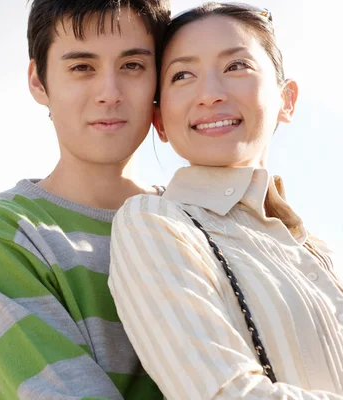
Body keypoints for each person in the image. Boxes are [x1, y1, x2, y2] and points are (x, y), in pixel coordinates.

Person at [109, 2, 343, 399]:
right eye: (183, 75)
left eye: (236, 67)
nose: (210, 95)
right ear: (160, 121)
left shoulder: (317, 251)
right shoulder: (153, 224)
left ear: (287, 99)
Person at [0, 0, 170, 398]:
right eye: (82, 67)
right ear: (39, 81)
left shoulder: (201, 222)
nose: (109, 93)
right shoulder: (3, 232)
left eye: (132, 66)